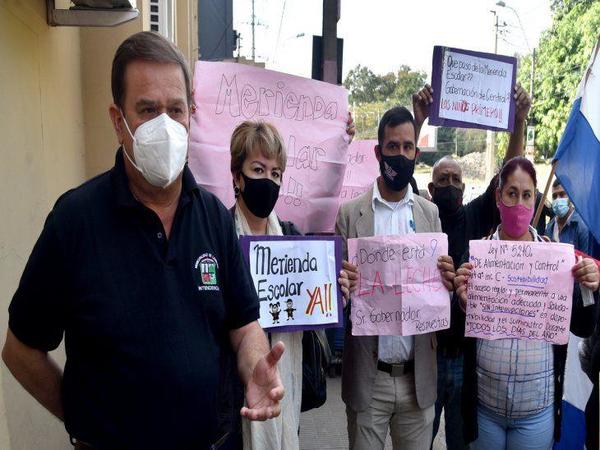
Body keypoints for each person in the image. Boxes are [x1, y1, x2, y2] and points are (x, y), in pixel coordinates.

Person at [2, 32, 285, 450]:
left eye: (175, 110)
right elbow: (20, 350)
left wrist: (255, 364)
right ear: (119, 121)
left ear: (191, 115)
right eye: (148, 110)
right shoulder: (75, 222)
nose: (165, 126)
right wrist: (81, 418)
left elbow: (243, 327)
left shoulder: (214, 219)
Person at [412, 84, 532, 449]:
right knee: (421, 439)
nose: (449, 185)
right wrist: (418, 120)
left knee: (462, 442)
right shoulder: (419, 216)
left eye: (455, 180)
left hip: (466, 358)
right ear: (430, 189)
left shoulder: (476, 215)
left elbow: (508, 176)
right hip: (428, 356)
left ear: (464, 188)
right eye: (442, 180)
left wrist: (520, 121)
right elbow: (397, 175)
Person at [225, 120, 355, 450]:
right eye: (258, 169)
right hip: (231, 393)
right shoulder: (218, 235)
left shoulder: (294, 238)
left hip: (286, 385)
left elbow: (313, 312)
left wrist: (334, 294)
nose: (268, 180)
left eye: (276, 173)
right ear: (237, 175)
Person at [453, 156, 599, 449]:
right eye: (511, 193)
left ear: (535, 200)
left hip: (537, 411)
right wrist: (461, 303)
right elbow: (457, 335)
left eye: (527, 195)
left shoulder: (557, 259)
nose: (519, 203)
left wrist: (588, 289)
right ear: (498, 196)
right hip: (485, 409)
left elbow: (582, 328)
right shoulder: (475, 260)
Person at [336, 106, 456, 450]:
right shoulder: (350, 215)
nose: (400, 155)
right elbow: (337, 298)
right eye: (392, 147)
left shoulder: (429, 213)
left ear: (416, 154)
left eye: (407, 147)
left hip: (417, 379)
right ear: (378, 152)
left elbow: (436, 295)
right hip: (368, 379)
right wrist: (343, 286)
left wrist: (446, 283)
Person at [545, 178, 590, 253]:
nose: (557, 199)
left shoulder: (582, 226)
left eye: (562, 194)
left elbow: (587, 259)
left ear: (571, 196)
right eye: (554, 196)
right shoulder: (550, 227)